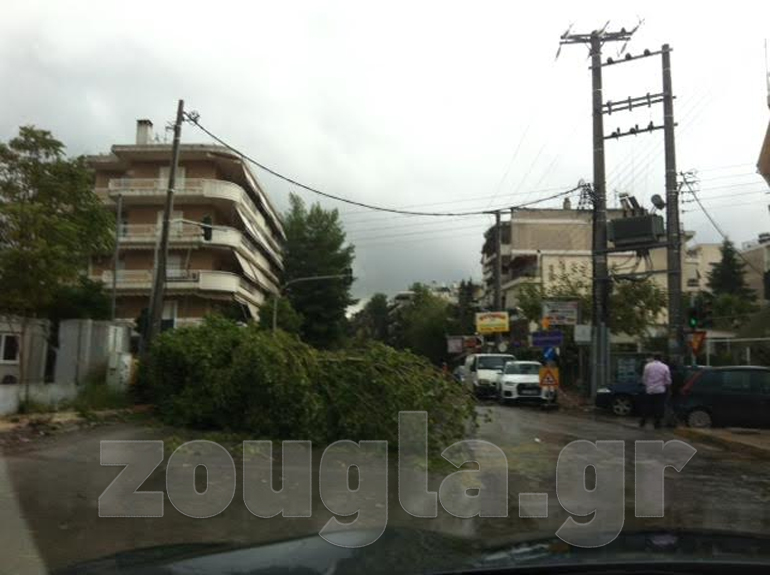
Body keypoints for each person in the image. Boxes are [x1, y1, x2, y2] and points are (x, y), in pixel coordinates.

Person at [640, 353, 671, 429]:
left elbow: (644, 378)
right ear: (661, 358)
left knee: (647, 406)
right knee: (659, 406)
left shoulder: (648, 366)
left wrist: (646, 384)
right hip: (660, 390)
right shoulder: (665, 367)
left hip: (649, 389)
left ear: (654, 358)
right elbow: (668, 380)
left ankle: (643, 421)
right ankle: (657, 423)